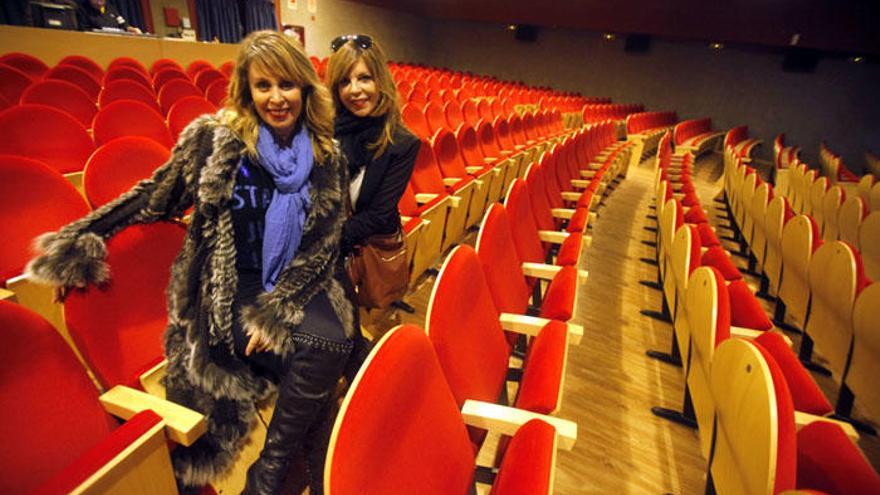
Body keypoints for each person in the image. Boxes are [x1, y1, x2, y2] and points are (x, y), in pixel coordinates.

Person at [26, 30, 359, 495]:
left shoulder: (325, 154)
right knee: (323, 359)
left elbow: (321, 247)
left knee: (331, 344)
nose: (277, 98)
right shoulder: (215, 141)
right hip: (230, 290)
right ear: (247, 89)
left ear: (305, 88)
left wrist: (277, 309)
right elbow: (154, 196)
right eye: (264, 86)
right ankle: (295, 478)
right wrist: (83, 238)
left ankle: (270, 474)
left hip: (292, 284)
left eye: (287, 85)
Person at [325, 34, 419, 261]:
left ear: (380, 81)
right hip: (327, 246)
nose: (354, 90)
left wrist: (323, 244)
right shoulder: (325, 130)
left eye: (364, 78)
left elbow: (378, 214)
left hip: (369, 248)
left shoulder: (402, 142)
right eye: (345, 82)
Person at [76, 0, 142, 33]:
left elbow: (123, 24)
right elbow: (84, 30)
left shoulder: (111, 8)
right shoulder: (82, 10)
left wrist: (134, 30)